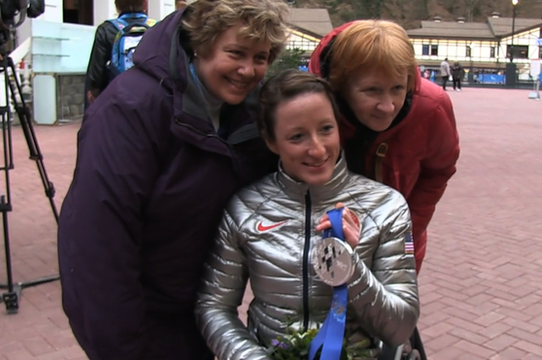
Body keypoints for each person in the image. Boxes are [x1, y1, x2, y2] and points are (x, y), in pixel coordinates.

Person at [57, 1, 290, 359]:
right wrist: (124, 348)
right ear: (201, 43)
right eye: (236, 53)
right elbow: (98, 243)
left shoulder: (247, 114)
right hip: (143, 321)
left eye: (261, 57)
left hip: (199, 314)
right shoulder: (130, 108)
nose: (248, 70)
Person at [195, 70, 419, 360]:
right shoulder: (245, 209)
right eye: (297, 136)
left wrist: (351, 268)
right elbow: (213, 307)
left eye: (326, 129)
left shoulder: (387, 207)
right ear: (271, 141)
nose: (316, 149)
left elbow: (400, 329)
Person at [308, 20, 459, 273]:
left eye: (397, 88)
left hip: (397, 243)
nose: (388, 106)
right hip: (320, 241)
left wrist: (405, 228)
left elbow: (439, 171)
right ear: (339, 85)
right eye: (372, 90)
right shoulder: (309, 106)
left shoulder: (432, 107)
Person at [84, 0, 154, 109]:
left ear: (116, 6)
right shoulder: (158, 28)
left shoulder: (107, 29)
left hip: (118, 96)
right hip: (151, 95)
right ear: (145, 4)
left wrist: (94, 90)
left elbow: (97, 69)